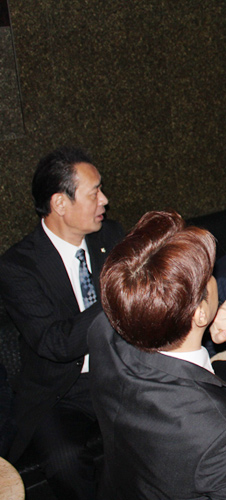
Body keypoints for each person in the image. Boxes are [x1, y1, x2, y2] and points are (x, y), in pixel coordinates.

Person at [89, 210, 226, 499]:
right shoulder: (221, 432)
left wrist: (206, 323)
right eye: (209, 276)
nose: (215, 277)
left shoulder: (101, 333)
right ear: (199, 313)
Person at [0, 147, 123, 499]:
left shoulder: (111, 236)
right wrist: (117, 294)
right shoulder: (18, 266)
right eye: (94, 192)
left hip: (118, 373)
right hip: (61, 392)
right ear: (59, 204)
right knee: (64, 460)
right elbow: (56, 343)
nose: (105, 199)